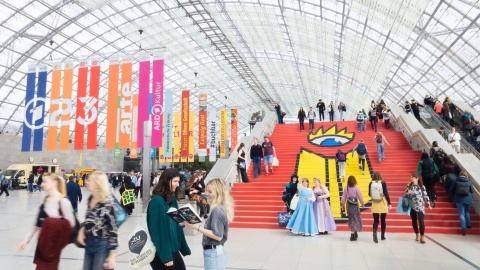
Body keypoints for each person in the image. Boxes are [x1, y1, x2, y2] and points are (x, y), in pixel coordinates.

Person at [19, 173, 75, 270]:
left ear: (54, 183)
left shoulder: (63, 202)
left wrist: (53, 227)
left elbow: (71, 225)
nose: (42, 184)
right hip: (42, 245)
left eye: (45, 181)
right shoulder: (45, 201)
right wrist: (26, 239)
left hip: (53, 248)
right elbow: (36, 224)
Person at [183, 178, 234, 270]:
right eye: (206, 191)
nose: (206, 194)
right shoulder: (219, 208)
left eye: (210, 191)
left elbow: (218, 236)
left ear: (218, 193)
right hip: (215, 251)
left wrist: (197, 228)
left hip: (213, 253)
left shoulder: (217, 210)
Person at [147, 168, 191, 269]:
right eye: (175, 181)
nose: (177, 184)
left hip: (173, 249)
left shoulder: (172, 199)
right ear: (166, 181)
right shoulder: (157, 201)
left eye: (178, 181)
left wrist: (184, 219)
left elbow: (176, 224)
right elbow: (157, 231)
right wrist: (166, 257)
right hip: (163, 253)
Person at [77, 172, 118, 270]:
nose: (86, 182)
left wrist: (112, 254)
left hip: (102, 244)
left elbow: (113, 230)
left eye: (89, 180)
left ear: (97, 184)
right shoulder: (91, 199)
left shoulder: (108, 203)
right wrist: (82, 230)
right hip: (89, 243)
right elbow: (88, 219)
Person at [405, 173, 432, 243]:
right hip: (412, 205)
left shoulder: (421, 186)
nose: (411, 179)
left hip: (420, 205)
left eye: (413, 177)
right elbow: (405, 194)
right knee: (414, 221)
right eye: (411, 178)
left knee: (421, 221)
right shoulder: (409, 186)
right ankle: (417, 234)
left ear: (417, 178)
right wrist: (408, 192)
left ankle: (422, 236)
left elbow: (425, 195)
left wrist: (428, 204)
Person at [368, 172, 392, 243]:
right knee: (383, 220)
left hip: (375, 203)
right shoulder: (383, 183)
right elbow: (386, 193)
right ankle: (382, 235)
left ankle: (375, 232)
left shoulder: (370, 183)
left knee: (376, 220)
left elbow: (369, 194)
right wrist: (389, 203)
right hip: (382, 202)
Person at [449, 170, 474, 236]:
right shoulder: (469, 182)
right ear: (466, 175)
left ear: (460, 174)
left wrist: (452, 197)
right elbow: (472, 191)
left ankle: (463, 229)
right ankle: (468, 225)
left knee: (461, 214)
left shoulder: (456, 181)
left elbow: (451, 190)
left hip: (459, 199)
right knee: (467, 212)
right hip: (468, 199)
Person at [341, 176, 364, 241]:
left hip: (349, 205)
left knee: (351, 219)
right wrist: (362, 203)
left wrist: (342, 205)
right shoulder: (357, 188)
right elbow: (360, 196)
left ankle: (355, 231)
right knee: (355, 218)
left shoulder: (346, 188)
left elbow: (343, 198)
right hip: (355, 205)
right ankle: (352, 235)